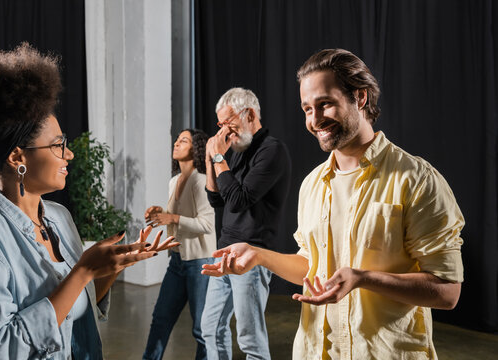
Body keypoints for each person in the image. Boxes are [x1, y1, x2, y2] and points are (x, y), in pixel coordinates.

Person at [202, 49, 464, 360]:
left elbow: (447, 292)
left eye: (325, 103)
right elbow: (311, 268)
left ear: (360, 98)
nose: (315, 120)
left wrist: (363, 278)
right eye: (307, 109)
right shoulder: (313, 184)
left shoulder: (417, 179)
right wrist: (258, 255)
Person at [0, 43, 178, 360]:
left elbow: (80, 308)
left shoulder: (59, 218)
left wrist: (111, 268)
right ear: (17, 156)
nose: (69, 154)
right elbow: (1, 350)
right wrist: (82, 272)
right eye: (58, 146)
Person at [201, 87, 291, 360]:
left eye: (229, 123)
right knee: (210, 328)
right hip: (223, 252)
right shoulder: (238, 150)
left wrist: (219, 158)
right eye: (221, 125)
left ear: (249, 113)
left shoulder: (272, 151)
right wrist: (210, 158)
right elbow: (218, 201)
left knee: (249, 338)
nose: (225, 131)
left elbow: (239, 200)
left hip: (251, 256)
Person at [142, 129, 216, 360]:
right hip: (177, 260)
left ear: (196, 150)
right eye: (177, 139)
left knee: (201, 330)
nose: (176, 143)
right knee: (160, 319)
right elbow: (178, 215)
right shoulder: (175, 181)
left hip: (200, 263)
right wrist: (160, 212)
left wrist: (171, 218)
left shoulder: (202, 181)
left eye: (183, 141)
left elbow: (207, 224)